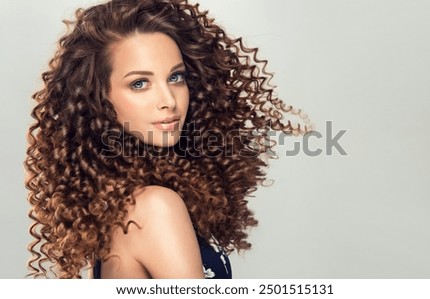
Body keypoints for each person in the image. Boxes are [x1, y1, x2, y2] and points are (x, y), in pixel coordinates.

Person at [25, 0, 313, 279]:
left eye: (176, 78)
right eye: (140, 83)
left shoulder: (120, 203)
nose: (168, 101)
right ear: (98, 100)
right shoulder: (154, 207)